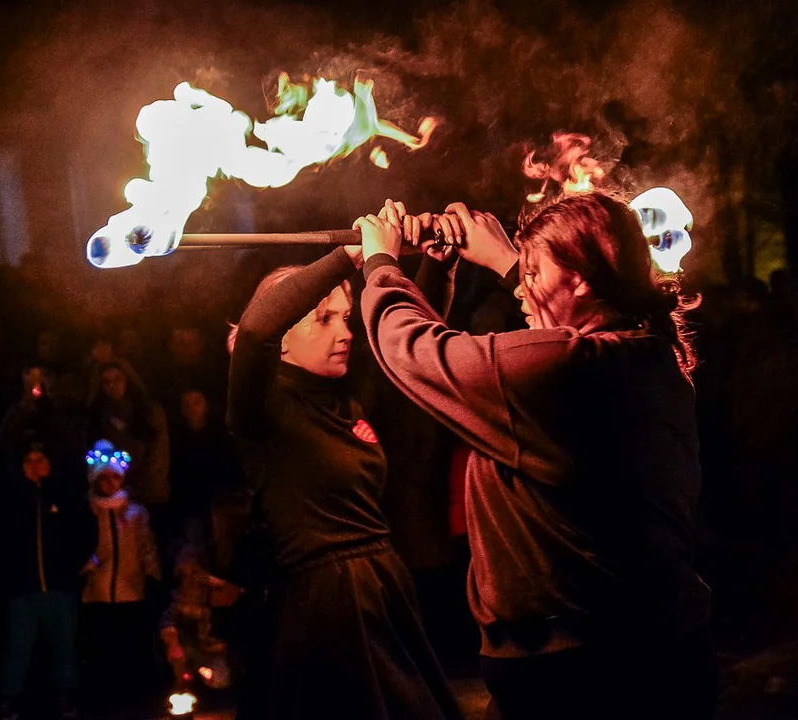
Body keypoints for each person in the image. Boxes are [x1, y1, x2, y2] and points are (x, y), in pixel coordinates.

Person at [356, 195, 716, 719]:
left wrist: (381, 262)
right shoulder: (646, 352)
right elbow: (552, 324)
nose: (522, 285)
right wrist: (491, 262)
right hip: (655, 643)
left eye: (533, 270)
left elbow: (412, 349)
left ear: (582, 279)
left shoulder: (562, 371)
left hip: (580, 671)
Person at [225, 231, 462, 719]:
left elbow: (413, 345)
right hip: (323, 607)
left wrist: (437, 265)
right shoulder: (261, 408)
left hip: (382, 587)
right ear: (283, 341)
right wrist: (350, 257)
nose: (345, 332)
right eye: (324, 319)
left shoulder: (346, 397)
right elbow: (254, 331)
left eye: (346, 318)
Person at [0, 442, 96, 720]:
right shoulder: (11, 499)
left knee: (64, 643)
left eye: (40, 459)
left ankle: (66, 694)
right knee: (18, 645)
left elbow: (87, 530)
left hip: (60, 587)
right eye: (28, 460)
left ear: (50, 463)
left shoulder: (65, 496)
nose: (34, 464)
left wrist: (73, 567)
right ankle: (10, 696)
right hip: (23, 589)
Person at [80, 439, 162, 703]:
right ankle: (104, 694)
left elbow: (146, 544)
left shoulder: (136, 511)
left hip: (131, 587)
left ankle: (133, 694)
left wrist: (153, 573)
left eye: (115, 477)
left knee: (130, 644)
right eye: (103, 478)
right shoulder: (88, 510)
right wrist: (87, 566)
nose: (109, 483)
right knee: (102, 644)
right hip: (97, 590)